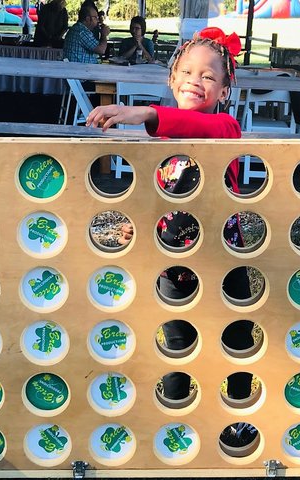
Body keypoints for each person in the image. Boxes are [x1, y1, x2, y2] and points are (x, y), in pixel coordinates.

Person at [87, 26, 259, 448]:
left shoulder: (225, 126)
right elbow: (156, 195)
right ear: (171, 78)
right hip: (175, 262)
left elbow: (207, 131)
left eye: (207, 76)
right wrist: (142, 225)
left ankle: (237, 416)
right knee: (177, 340)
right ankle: (178, 415)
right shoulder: (162, 137)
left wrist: (144, 113)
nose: (194, 81)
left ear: (224, 87)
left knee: (234, 337)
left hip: (224, 261)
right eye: (186, 71)